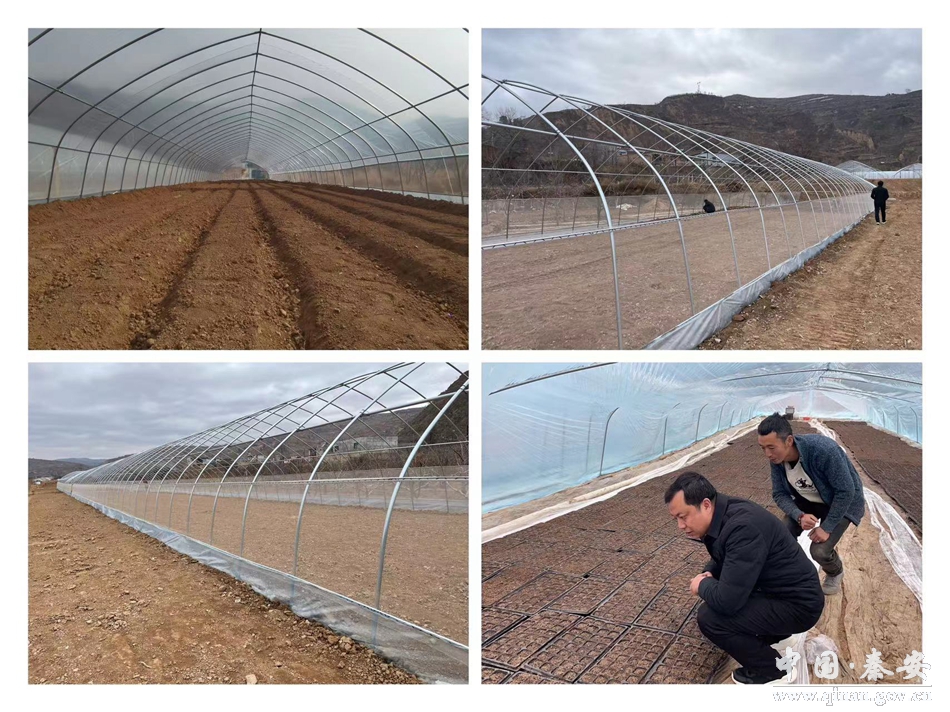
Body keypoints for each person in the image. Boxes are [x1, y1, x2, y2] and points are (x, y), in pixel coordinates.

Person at [665, 472, 824, 685]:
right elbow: (727, 556)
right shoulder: (726, 513)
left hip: (799, 607)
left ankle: (775, 671)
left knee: (710, 618)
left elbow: (728, 601)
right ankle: (779, 636)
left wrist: (702, 585)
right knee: (722, 590)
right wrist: (709, 573)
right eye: (676, 519)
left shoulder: (743, 527)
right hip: (784, 594)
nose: (680, 526)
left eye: (683, 516)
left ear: (705, 505)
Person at [757, 414, 865, 596]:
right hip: (808, 499)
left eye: (771, 447)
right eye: (763, 448)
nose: (767, 454)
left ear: (789, 441)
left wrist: (826, 527)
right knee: (782, 535)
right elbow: (779, 494)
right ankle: (788, 573)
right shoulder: (777, 460)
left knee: (819, 551)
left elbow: (846, 491)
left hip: (840, 502)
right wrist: (798, 515)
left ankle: (835, 571)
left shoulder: (823, 451)